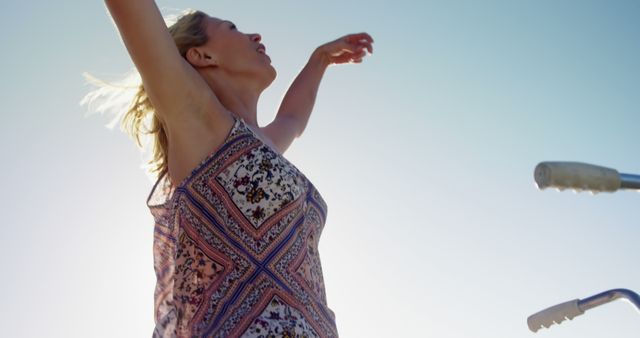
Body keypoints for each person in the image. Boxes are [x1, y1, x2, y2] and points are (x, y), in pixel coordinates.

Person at [103, 0, 373, 336]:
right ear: (202, 56)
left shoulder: (258, 145)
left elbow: (293, 118)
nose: (254, 34)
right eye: (232, 28)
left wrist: (319, 60)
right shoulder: (199, 124)